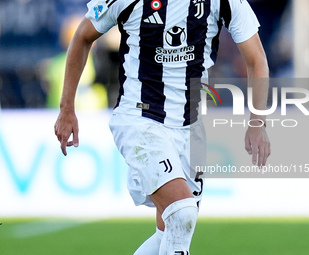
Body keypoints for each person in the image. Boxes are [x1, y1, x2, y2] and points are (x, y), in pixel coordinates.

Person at [54, 0, 271, 254]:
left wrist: (257, 122)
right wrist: (66, 108)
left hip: (191, 127)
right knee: (182, 213)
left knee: (168, 234)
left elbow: (257, 60)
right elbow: (82, 36)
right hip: (141, 119)